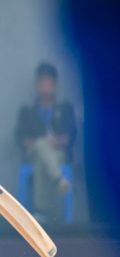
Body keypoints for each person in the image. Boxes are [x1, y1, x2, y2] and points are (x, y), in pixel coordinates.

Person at [15, 63, 76, 221]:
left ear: (55, 85)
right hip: (33, 152)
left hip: (58, 154)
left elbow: (69, 137)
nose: (45, 88)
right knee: (41, 145)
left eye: (48, 84)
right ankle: (59, 179)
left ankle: (40, 211)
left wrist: (53, 143)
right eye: (42, 83)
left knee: (42, 158)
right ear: (36, 84)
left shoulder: (65, 109)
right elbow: (22, 138)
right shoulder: (28, 111)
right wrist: (41, 143)